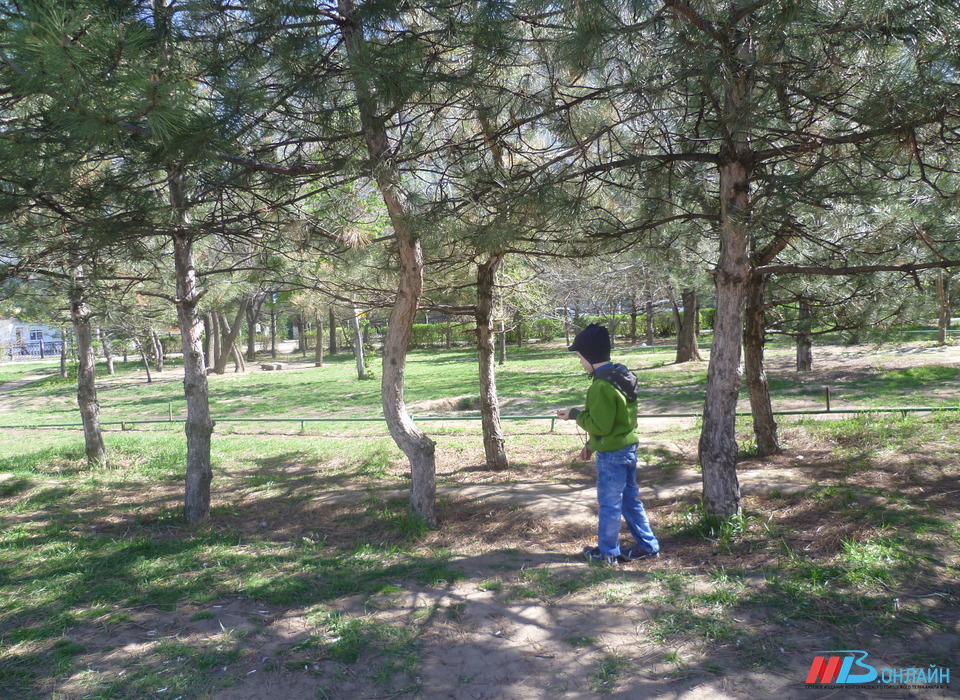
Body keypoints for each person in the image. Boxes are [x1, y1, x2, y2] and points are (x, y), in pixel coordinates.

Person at [556, 323, 660, 566]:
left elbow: (600, 425)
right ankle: (648, 546)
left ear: (590, 356)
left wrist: (574, 414)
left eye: (580, 357)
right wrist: (591, 445)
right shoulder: (620, 376)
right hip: (627, 449)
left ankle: (607, 553)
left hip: (612, 456)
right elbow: (613, 422)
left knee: (610, 505)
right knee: (630, 501)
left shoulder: (601, 386)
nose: (580, 362)